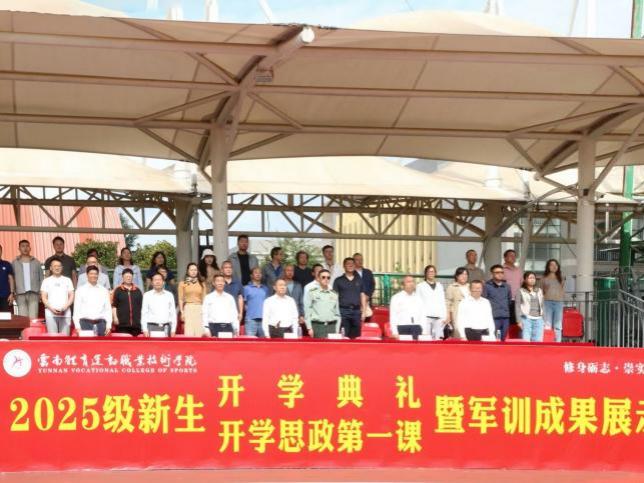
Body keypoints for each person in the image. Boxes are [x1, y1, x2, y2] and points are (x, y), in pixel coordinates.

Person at [333, 257, 367, 339]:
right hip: (343, 311)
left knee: (356, 336)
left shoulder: (359, 280)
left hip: (356, 311)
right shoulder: (338, 280)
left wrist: (364, 311)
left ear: (355, 266)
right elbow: (334, 297)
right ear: (344, 266)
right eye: (348, 264)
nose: (350, 265)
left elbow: (362, 295)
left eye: (352, 264)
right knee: (344, 336)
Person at [73, 265, 112, 336]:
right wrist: (77, 326)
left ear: (98, 275)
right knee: (86, 343)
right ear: (87, 275)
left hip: (101, 324)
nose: (93, 276)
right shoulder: (80, 290)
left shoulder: (104, 290)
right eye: (91, 274)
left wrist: (108, 325)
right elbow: (76, 310)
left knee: (102, 343)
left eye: (95, 274)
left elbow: (108, 309)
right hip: (84, 324)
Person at [40, 257, 74, 334]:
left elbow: (71, 296)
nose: (57, 268)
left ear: (62, 268)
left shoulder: (67, 280)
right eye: (55, 266)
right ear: (51, 268)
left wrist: (65, 307)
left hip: (65, 313)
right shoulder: (46, 281)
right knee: (53, 337)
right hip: (50, 313)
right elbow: (44, 297)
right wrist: (51, 308)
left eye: (59, 266)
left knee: (65, 337)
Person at [304, 269, 340, 339]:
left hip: (331, 326)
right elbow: (307, 311)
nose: (326, 279)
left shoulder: (334, 294)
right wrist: (309, 328)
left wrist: (337, 329)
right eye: (323, 277)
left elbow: (337, 314)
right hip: (318, 326)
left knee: (332, 346)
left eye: (328, 277)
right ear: (318, 278)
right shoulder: (312, 293)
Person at [12, 239, 43, 318]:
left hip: (34, 293)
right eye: (23, 246)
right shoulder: (14, 262)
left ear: (30, 248)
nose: (25, 248)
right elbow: (12, 279)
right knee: (23, 318)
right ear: (19, 248)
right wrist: (13, 292)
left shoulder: (36, 262)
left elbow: (41, 278)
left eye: (27, 246)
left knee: (33, 317)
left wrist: (41, 292)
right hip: (20, 294)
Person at [416, 264, 447, 340]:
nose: (431, 273)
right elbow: (417, 302)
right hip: (426, 317)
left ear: (435, 273)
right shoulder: (420, 286)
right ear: (426, 273)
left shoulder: (440, 286)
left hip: (438, 317)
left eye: (433, 272)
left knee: (438, 340)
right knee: (426, 339)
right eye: (429, 272)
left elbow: (442, 301)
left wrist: (445, 316)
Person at [389, 275, 425, 340]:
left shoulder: (419, 298)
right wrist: (395, 332)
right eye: (408, 282)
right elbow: (393, 316)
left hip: (416, 327)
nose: (411, 284)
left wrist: (424, 331)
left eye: (413, 281)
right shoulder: (396, 298)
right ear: (403, 285)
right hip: (402, 327)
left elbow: (422, 315)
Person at [141, 272, 177, 337]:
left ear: (163, 282)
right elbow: (144, 313)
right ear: (152, 282)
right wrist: (144, 329)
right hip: (151, 327)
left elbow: (173, 313)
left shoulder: (169, 295)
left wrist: (173, 330)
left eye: (159, 280)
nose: (157, 282)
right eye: (155, 280)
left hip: (166, 327)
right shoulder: (147, 295)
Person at [483, 264, 512, 341]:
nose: (500, 274)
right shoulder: (487, 286)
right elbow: (484, 301)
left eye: (502, 272)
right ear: (492, 274)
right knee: (496, 338)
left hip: (505, 317)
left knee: (503, 338)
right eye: (497, 272)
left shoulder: (507, 286)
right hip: (494, 317)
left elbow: (509, 300)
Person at [111, 268, 143, 336]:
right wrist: (115, 318)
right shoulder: (117, 290)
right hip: (122, 324)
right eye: (126, 276)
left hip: (136, 325)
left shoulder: (138, 291)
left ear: (132, 277)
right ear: (122, 277)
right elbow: (114, 306)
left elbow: (141, 307)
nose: (128, 278)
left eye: (130, 276)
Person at [178, 263, 207, 337]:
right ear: (188, 271)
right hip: (188, 307)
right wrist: (182, 311)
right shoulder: (182, 283)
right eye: (191, 270)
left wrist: (204, 311)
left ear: (197, 271)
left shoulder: (202, 283)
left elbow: (204, 299)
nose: (193, 272)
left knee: (199, 332)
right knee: (189, 332)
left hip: (199, 308)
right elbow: (180, 299)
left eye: (195, 270)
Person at [516, 271, 545, 342]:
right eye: (530, 278)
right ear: (525, 280)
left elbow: (543, 305)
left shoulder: (539, 290)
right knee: (526, 341)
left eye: (533, 278)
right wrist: (518, 321)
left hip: (539, 319)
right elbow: (517, 306)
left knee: (538, 341)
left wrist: (543, 319)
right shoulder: (520, 291)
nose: (532, 280)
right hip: (526, 318)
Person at [542, 259, 565, 343]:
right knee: (547, 324)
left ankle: (557, 343)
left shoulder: (561, 278)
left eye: (556, 265)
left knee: (558, 325)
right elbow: (541, 291)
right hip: (547, 302)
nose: (554, 266)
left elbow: (561, 289)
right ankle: (547, 342)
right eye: (551, 265)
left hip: (559, 302)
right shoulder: (544, 278)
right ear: (548, 267)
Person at [243, 267, 270, 337]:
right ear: (251, 275)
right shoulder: (246, 288)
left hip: (264, 320)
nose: (258, 274)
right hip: (251, 320)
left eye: (260, 273)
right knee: (250, 342)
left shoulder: (265, 289)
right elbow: (244, 304)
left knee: (264, 342)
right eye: (256, 272)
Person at [445, 267, 470, 340]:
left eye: (466, 274)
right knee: (458, 333)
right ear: (457, 276)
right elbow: (447, 302)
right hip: (456, 314)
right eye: (462, 274)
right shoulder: (451, 287)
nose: (464, 276)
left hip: (469, 314)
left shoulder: (470, 286)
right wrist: (448, 316)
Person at [503, 249, 523, 324]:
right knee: (506, 322)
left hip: (517, 300)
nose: (513, 257)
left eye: (514, 256)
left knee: (516, 322)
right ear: (505, 258)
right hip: (505, 300)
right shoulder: (501, 269)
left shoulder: (518, 270)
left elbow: (522, 283)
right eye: (510, 255)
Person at [221, 260, 244, 327]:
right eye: (226, 267)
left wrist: (240, 313)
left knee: (234, 332)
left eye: (230, 267)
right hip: (221, 313)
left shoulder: (238, 283)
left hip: (234, 314)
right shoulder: (219, 282)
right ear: (222, 270)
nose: (228, 269)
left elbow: (240, 298)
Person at [0, 244, 15, 312]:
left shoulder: (6, 264)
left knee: (6, 316)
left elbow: (11, 279)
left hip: (5, 296)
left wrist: (12, 293)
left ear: (1, 251)